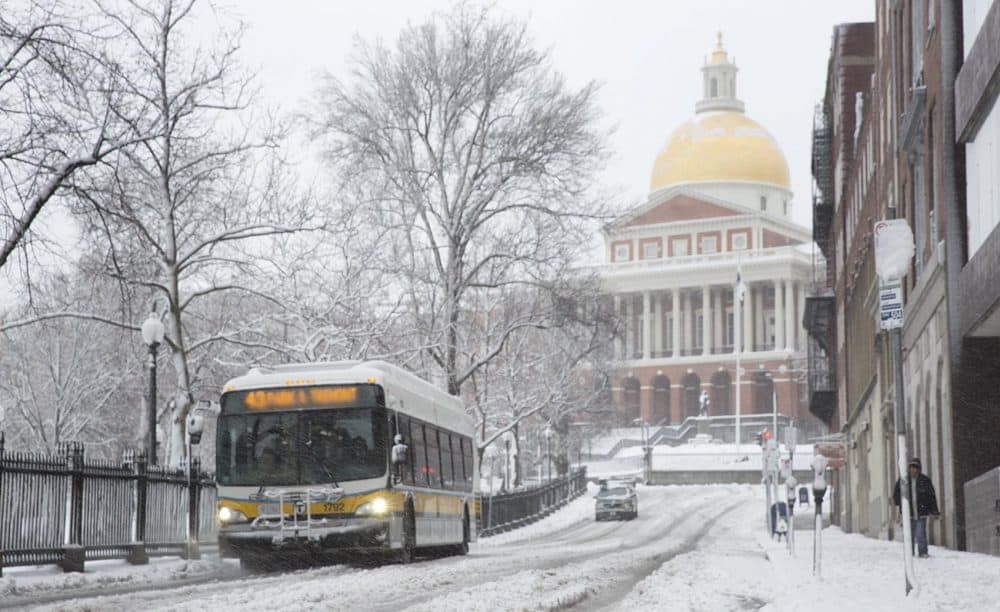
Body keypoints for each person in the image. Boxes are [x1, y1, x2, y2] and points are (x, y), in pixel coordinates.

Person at [892, 457, 940, 558]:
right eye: (912, 467)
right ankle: (910, 552)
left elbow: (931, 496)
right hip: (907, 514)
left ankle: (922, 552)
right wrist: (898, 503)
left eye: (916, 467)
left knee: (920, 533)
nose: (913, 470)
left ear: (919, 469)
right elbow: (896, 493)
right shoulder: (903, 480)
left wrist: (934, 511)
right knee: (909, 535)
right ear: (909, 468)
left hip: (921, 512)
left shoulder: (925, 480)